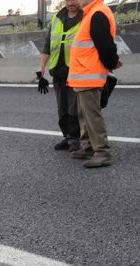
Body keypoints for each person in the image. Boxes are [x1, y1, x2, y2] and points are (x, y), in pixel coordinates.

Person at [67, 0, 121, 168]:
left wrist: (113, 62)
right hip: (82, 76)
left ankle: (102, 152)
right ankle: (88, 146)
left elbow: (106, 46)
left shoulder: (97, 13)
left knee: (92, 115)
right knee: (84, 115)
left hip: (89, 76)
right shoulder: (90, 13)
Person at [36, 0, 82, 151]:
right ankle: (67, 136)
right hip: (58, 72)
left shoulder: (86, 17)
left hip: (77, 71)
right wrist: (41, 68)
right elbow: (48, 45)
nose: (71, 2)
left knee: (74, 108)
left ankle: (75, 138)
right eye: (68, 0)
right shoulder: (56, 18)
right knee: (62, 108)